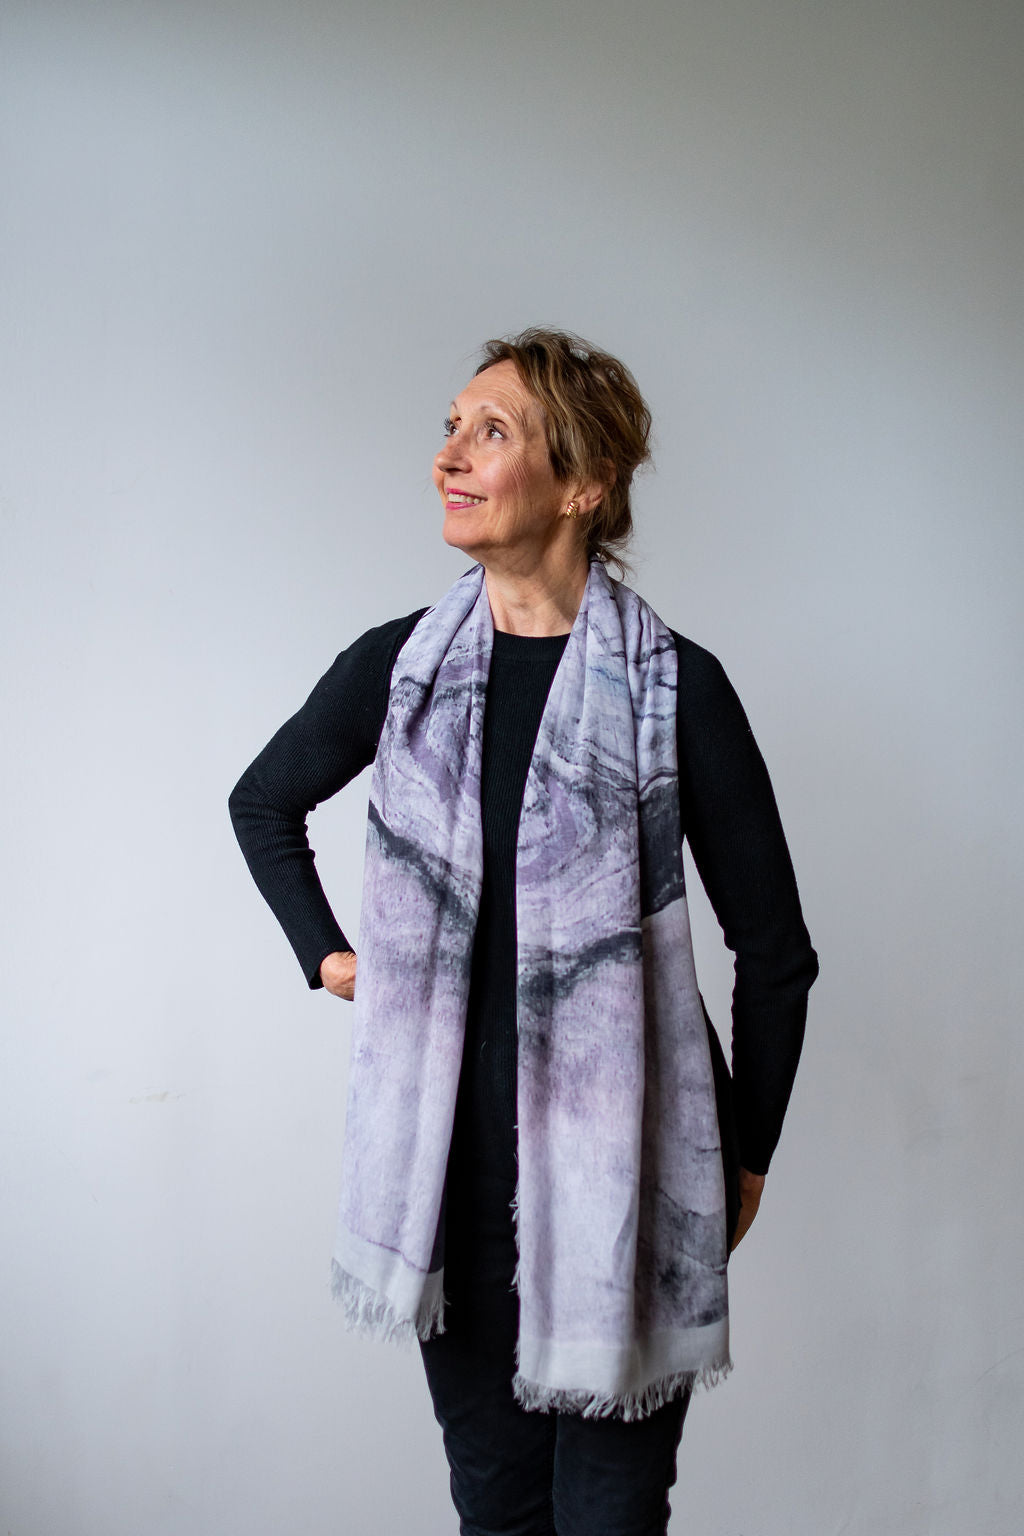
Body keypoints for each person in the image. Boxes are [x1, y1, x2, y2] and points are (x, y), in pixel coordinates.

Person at [229, 328, 818, 1536]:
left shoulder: (676, 690)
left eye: (489, 432)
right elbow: (263, 802)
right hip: (446, 1174)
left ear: (583, 482)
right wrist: (330, 958)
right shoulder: (401, 669)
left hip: (631, 1176)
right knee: (495, 1510)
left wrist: (747, 1154)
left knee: (609, 1517)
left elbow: (775, 952)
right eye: (450, 427)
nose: (447, 456)